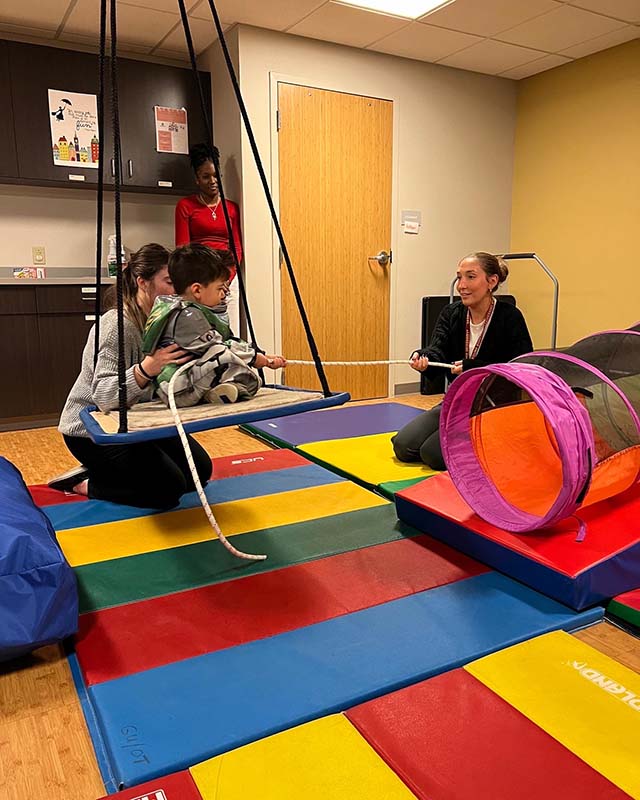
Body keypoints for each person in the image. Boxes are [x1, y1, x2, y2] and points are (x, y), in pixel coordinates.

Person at [50, 243, 213, 509]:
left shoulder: (164, 322)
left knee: (200, 473)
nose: (176, 291)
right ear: (142, 282)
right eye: (169, 282)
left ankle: (119, 470)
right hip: (93, 430)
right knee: (167, 490)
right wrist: (147, 368)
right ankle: (86, 483)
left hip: (139, 422)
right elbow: (102, 396)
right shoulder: (118, 326)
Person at [392, 252, 533, 470]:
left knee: (433, 455)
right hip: (457, 402)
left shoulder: (510, 316)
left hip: (494, 407)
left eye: (470, 277)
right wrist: (425, 358)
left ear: (491, 281)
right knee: (403, 446)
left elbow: (521, 365)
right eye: (459, 277)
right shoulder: (452, 313)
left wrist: (474, 368)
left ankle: (499, 441)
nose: (461, 285)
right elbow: (437, 349)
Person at [144, 244, 286, 408]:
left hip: (193, 378)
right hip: (176, 386)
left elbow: (229, 339)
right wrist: (256, 358)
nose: (223, 294)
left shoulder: (197, 311)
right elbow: (218, 346)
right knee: (222, 354)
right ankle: (219, 390)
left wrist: (260, 355)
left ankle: (217, 393)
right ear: (197, 290)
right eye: (219, 288)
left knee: (249, 378)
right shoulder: (187, 316)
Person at [175, 143, 243, 332]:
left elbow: (236, 246)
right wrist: (203, 279)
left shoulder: (230, 208)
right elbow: (183, 248)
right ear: (197, 179)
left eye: (216, 175)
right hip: (200, 275)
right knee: (203, 329)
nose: (213, 181)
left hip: (228, 275)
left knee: (231, 328)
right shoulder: (185, 206)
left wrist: (226, 278)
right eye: (206, 177)